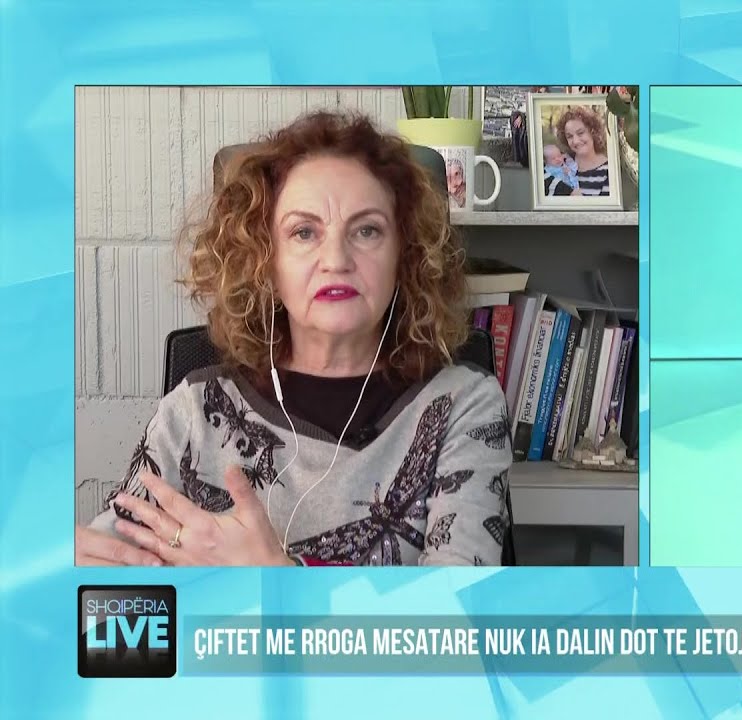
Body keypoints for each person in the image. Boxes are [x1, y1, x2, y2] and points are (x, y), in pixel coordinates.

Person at [76, 111, 513, 567]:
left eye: (367, 230)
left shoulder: (465, 404)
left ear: (405, 256)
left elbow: (457, 608)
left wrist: (276, 576)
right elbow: (116, 590)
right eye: (304, 232)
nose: (336, 259)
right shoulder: (193, 410)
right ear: (265, 260)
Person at [544, 106, 609, 197]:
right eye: (569, 136)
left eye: (580, 133)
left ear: (593, 132)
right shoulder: (560, 160)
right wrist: (567, 191)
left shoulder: (608, 170)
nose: (575, 141)